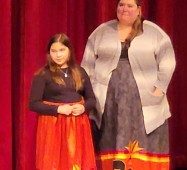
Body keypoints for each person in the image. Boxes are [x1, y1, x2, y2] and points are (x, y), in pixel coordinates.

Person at [81, 0, 176, 169]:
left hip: (143, 103)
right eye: (121, 5)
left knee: (142, 140)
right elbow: (87, 65)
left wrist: (159, 89)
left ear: (139, 10)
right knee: (110, 138)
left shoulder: (154, 33)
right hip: (109, 104)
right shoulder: (101, 32)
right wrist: (91, 91)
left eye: (129, 5)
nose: (124, 9)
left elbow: (168, 61)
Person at [29, 33, 97, 170]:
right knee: (54, 163)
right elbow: (33, 103)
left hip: (77, 125)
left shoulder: (80, 71)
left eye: (62, 50)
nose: (58, 55)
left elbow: (91, 99)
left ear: (69, 51)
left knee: (76, 161)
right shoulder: (43, 75)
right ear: (49, 53)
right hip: (53, 126)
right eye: (54, 51)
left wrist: (83, 107)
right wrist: (58, 109)